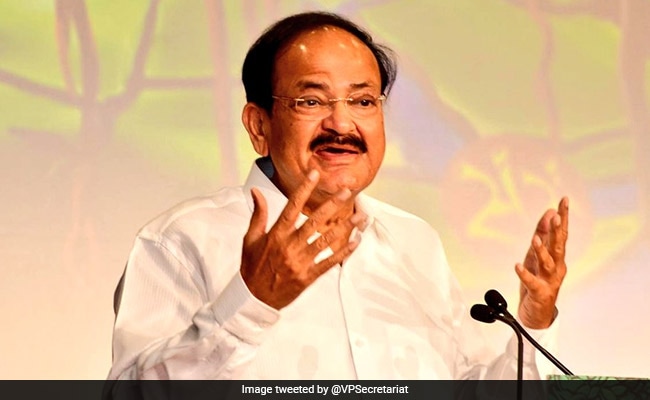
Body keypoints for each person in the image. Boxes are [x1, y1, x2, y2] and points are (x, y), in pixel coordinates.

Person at [108, 11, 569, 380]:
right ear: (259, 124)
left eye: (363, 101)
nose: (342, 124)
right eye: (311, 101)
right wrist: (251, 303)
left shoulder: (415, 242)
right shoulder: (182, 240)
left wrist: (531, 323)